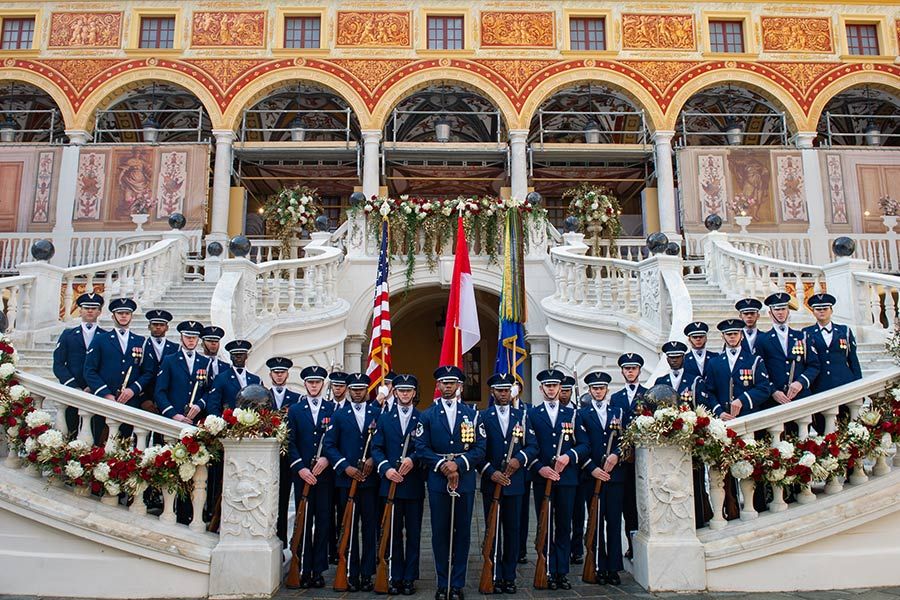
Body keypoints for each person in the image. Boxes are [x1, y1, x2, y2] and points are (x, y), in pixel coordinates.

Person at [414, 365, 486, 600]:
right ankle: (442, 582)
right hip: (438, 480)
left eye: (452, 382)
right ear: (438, 386)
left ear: (459, 386)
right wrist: (442, 465)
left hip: (464, 481)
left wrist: (460, 464)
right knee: (440, 533)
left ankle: (457, 584)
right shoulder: (427, 415)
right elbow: (421, 448)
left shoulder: (472, 414)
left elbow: (480, 448)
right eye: (443, 382)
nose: (447, 386)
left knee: (463, 533)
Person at [478, 372, 537, 594]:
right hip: (491, 482)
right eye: (499, 390)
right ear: (492, 392)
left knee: (512, 530)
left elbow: (532, 446)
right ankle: (493, 572)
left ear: (511, 392)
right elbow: (478, 451)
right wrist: (490, 472)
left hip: (515, 482)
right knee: (492, 528)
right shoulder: (482, 417)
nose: (503, 394)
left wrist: (519, 459)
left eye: (506, 390)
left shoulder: (522, 416)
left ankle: (509, 576)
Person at [530, 368, 589, 591]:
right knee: (545, 525)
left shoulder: (573, 415)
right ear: (541, 388)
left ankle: (561, 572)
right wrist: (540, 468)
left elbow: (584, 445)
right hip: (542, 478)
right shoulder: (532, 415)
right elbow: (529, 447)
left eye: (555, 385)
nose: (552, 389)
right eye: (548, 385)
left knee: (564, 525)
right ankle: (545, 568)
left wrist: (568, 456)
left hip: (566, 479)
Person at [325, 372, 381, 592]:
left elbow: (383, 442)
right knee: (347, 525)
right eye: (354, 389)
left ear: (367, 390)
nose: (357, 393)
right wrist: (344, 467)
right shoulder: (339, 415)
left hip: (369, 480)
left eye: (361, 389)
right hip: (346, 481)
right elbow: (329, 445)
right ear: (348, 390)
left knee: (369, 527)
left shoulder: (378, 413)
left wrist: (373, 459)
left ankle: (367, 573)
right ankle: (350, 570)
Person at [371, 373, 425, 596]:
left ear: (414, 393)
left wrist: (414, 459)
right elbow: (376, 448)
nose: (404, 394)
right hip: (390, 484)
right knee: (392, 533)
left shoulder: (423, 418)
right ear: (394, 392)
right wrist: (386, 468)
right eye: (401, 390)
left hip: (412, 484)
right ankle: (393, 574)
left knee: (413, 533)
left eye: (408, 390)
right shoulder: (384, 418)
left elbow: (424, 446)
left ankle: (409, 577)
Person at [286, 365, 335, 589]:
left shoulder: (332, 408)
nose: (314, 385)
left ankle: (318, 569)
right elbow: (290, 442)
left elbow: (336, 440)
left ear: (323, 384)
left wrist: (326, 459)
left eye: (317, 382)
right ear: (305, 384)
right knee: (304, 521)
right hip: (303, 475)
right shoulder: (295, 410)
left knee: (324, 521)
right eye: (310, 382)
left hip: (324, 476)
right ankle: (303, 566)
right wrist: (300, 469)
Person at [654, 341, 713, 526]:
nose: (674, 360)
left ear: (683, 358)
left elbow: (703, 408)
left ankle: (700, 519)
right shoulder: (660, 382)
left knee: (695, 483)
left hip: (691, 440)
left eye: (677, 357)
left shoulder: (695, 381)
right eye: (671, 357)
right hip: (669, 444)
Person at [83, 297, 153, 442]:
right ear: (113, 316)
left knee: (125, 442)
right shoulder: (100, 339)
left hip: (129, 401)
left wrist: (132, 390)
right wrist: (106, 394)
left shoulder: (141, 341)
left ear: (131, 316)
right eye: (120, 313)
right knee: (100, 442)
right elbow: (89, 370)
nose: (123, 316)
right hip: (104, 401)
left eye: (127, 313)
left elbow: (148, 372)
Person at [578, 371, 624, 585]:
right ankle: (597, 564)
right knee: (595, 521)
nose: (598, 391)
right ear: (589, 391)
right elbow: (580, 444)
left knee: (613, 522)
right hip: (592, 476)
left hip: (614, 477)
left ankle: (613, 568)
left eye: (602, 388)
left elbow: (627, 440)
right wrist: (592, 468)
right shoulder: (581, 414)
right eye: (594, 388)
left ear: (607, 390)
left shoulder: (619, 412)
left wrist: (617, 454)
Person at [610, 353, 647, 560]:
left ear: (639, 370)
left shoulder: (648, 395)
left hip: (643, 458)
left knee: (643, 502)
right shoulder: (616, 398)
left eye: (633, 368)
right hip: (624, 461)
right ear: (622, 371)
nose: (630, 371)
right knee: (627, 505)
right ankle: (632, 546)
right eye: (626, 368)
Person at [756, 292, 820, 411]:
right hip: (774, 400)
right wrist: (773, 391)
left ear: (788, 311)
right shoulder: (761, 340)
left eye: (783, 309)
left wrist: (801, 382)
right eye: (777, 310)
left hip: (801, 396)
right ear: (770, 313)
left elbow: (814, 365)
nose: (780, 313)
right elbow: (759, 371)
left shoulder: (802, 336)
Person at [53, 292, 104, 435]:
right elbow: (58, 364)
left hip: (96, 391)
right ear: (80, 310)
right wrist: (73, 386)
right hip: (72, 391)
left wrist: (94, 386)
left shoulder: (106, 337)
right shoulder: (68, 335)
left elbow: (107, 366)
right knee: (70, 429)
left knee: (95, 430)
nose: (90, 311)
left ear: (99, 312)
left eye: (94, 308)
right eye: (86, 307)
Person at [267, 356, 302, 548]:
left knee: (288, 497)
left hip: (289, 457)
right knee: (272, 500)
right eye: (276, 372)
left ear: (287, 374)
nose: (279, 376)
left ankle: (285, 541)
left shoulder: (296, 399)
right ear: (270, 374)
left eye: (282, 373)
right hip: (267, 458)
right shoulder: (262, 396)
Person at [706, 319, 772, 419]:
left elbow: (764, 389)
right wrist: (719, 412)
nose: (732, 336)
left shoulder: (754, 361)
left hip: (749, 416)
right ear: (722, 336)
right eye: (728, 334)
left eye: (735, 333)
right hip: (724, 419)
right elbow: (709, 391)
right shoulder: (714, 363)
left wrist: (742, 400)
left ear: (742, 335)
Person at [803, 293, 862, 394]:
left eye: (825, 309)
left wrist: (859, 385)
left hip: (844, 382)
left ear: (831, 310)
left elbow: (853, 360)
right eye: (818, 309)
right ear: (813, 312)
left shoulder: (844, 331)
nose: (822, 311)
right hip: (819, 385)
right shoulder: (806, 333)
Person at [154, 321, 211, 424]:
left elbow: (209, 390)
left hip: (195, 419)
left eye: (194, 337)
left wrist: (199, 405)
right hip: (174, 418)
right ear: (181, 338)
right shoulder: (170, 360)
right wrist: (173, 414)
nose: (191, 340)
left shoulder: (205, 362)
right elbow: (160, 392)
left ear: (198, 339)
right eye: (188, 337)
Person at [204, 340, 261, 416]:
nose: (238, 357)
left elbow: (261, 403)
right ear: (230, 356)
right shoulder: (221, 378)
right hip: (229, 424)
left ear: (246, 356)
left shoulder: (256, 380)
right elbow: (213, 405)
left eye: (241, 354)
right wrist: (220, 423)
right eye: (235, 354)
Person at [141, 309, 178, 415]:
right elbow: (136, 372)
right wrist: (143, 398)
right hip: (146, 399)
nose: (158, 327)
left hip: (168, 400)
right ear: (149, 327)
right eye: (155, 324)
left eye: (161, 324)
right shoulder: (142, 345)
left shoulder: (175, 348)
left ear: (167, 327)